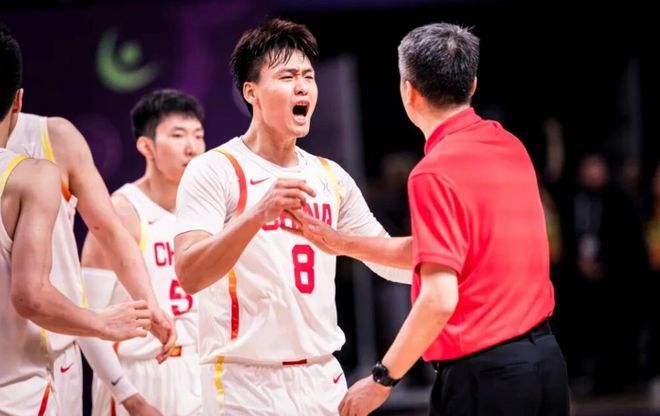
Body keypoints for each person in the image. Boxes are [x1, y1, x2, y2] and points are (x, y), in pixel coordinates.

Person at [292, 23, 570, 416]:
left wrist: (382, 379)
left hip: (486, 377)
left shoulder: (433, 171)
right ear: (472, 84)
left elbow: (439, 298)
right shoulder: (510, 145)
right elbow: (450, 251)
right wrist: (343, 243)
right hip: (547, 364)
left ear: (408, 91)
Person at [174, 18, 410, 415]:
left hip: (322, 377)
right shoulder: (215, 169)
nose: (302, 87)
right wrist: (257, 213)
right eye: (287, 77)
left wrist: (448, 262)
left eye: (308, 77)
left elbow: (385, 259)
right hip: (242, 383)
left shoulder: (330, 176)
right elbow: (189, 273)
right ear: (251, 92)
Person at [0, 24, 176, 416]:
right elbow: (30, 294)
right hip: (29, 358)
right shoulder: (38, 170)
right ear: (18, 99)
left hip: (53, 352)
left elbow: (109, 229)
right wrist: (101, 322)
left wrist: (148, 302)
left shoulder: (53, 137)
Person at [82, 89, 205, 416]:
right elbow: (87, 322)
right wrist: (129, 397)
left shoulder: (208, 211)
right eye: (178, 135)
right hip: (137, 374)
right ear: (146, 146)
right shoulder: (121, 212)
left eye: (198, 135)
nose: (192, 147)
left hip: (198, 370)